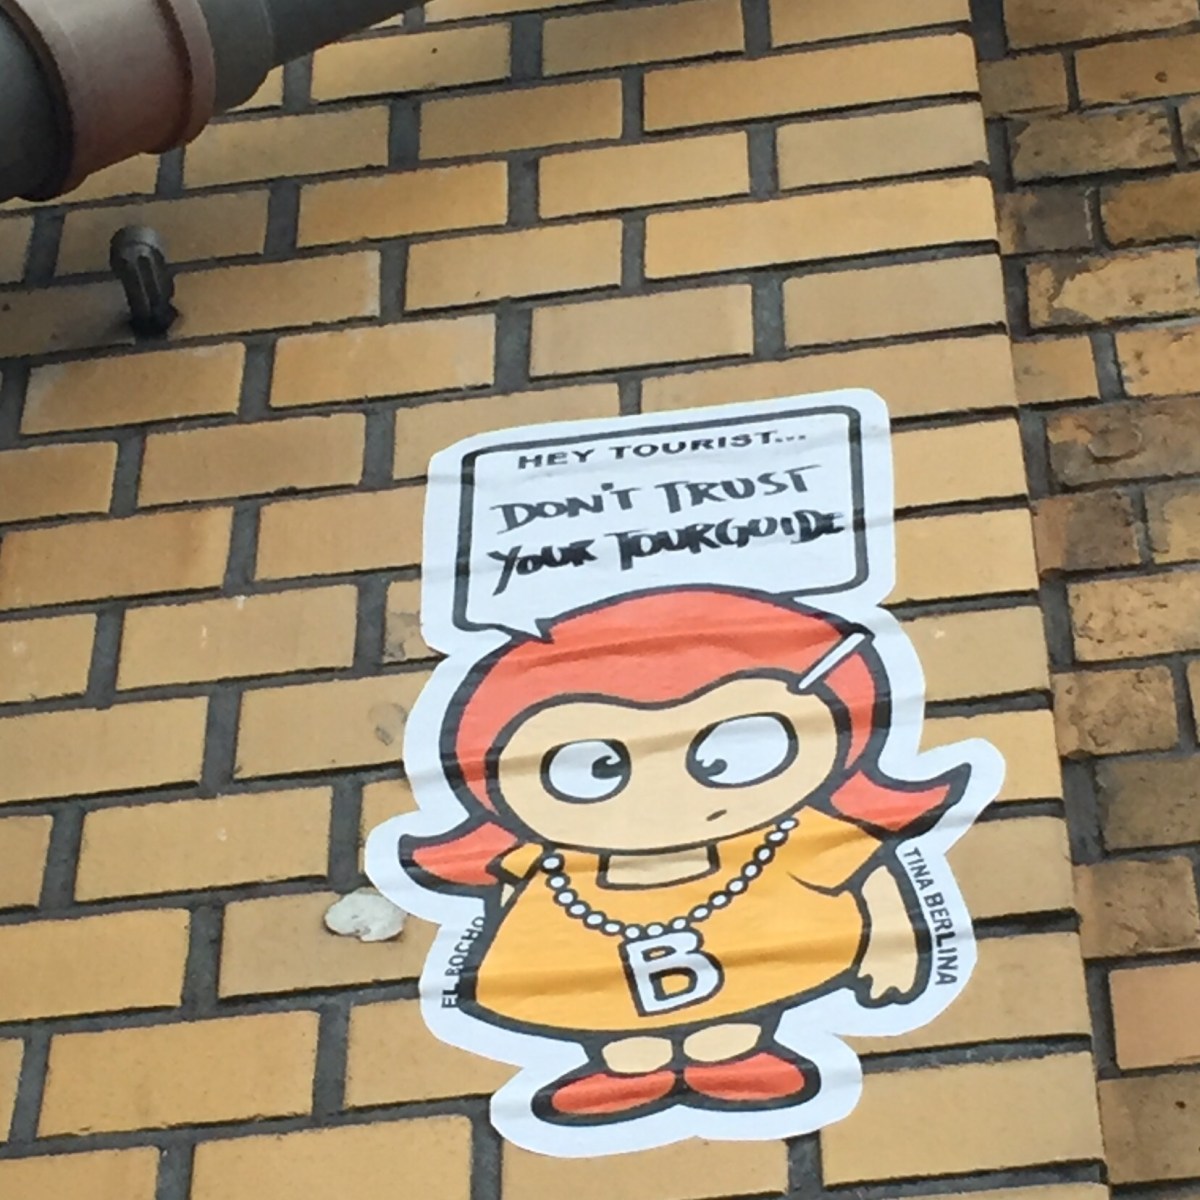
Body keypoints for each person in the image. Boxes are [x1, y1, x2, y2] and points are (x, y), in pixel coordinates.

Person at [401, 587, 969, 1125]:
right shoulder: (544, 863)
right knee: (621, 1035)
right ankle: (625, 1067)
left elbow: (864, 870)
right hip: (593, 974)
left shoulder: (795, 837)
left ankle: (734, 1055)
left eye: (728, 754)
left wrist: (894, 943)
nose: (661, 795)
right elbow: (503, 890)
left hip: (763, 958)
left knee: (731, 1028)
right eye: (598, 768)